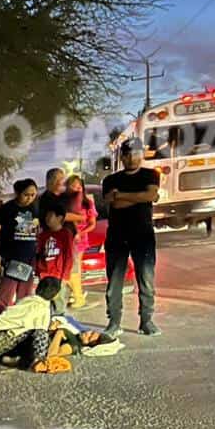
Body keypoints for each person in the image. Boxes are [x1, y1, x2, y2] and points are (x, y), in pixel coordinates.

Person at [102, 138, 161, 337]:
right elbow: (115, 203)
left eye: (136, 154)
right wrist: (140, 196)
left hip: (143, 235)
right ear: (122, 157)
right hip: (117, 236)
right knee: (114, 282)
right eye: (128, 155)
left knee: (146, 279)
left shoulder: (150, 175)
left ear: (141, 155)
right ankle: (114, 322)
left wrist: (122, 195)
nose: (132, 158)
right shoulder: (110, 180)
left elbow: (150, 196)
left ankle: (146, 321)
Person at [0, 276, 71, 373]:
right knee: (42, 333)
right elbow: (39, 332)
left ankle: (3, 358)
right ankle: (37, 362)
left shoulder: (27, 300)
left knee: (28, 333)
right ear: (55, 295)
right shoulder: (43, 307)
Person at [0, 179, 41, 316]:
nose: (29, 198)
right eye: (26, 195)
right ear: (17, 193)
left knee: (25, 297)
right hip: (11, 258)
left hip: (29, 259)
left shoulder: (35, 208)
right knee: (6, 296)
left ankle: (20, 321)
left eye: (33, 195)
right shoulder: (7, 209)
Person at [62, 175, 97, 309]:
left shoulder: (87, 203)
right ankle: (76, 294)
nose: (77, 189)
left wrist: (81, 233)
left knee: (74, 268)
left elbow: (92, 223)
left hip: (80, 241)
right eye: (73, 186)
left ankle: (78, 296)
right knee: (68, 268)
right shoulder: (64, 202)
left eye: (79, 186)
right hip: (66, 239)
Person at [35, 204, 75, 313]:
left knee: (59, 302)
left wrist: (65, 276)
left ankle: (59, 320)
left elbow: (68, 256)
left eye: (50, 215)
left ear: (59, 218)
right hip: (44, 274)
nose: (47, 218)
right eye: (46, 216)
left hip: (58, 275)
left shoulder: (65, 234)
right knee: (43, 302)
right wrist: (38, 270)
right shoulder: (43, 235)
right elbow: (39, 253)